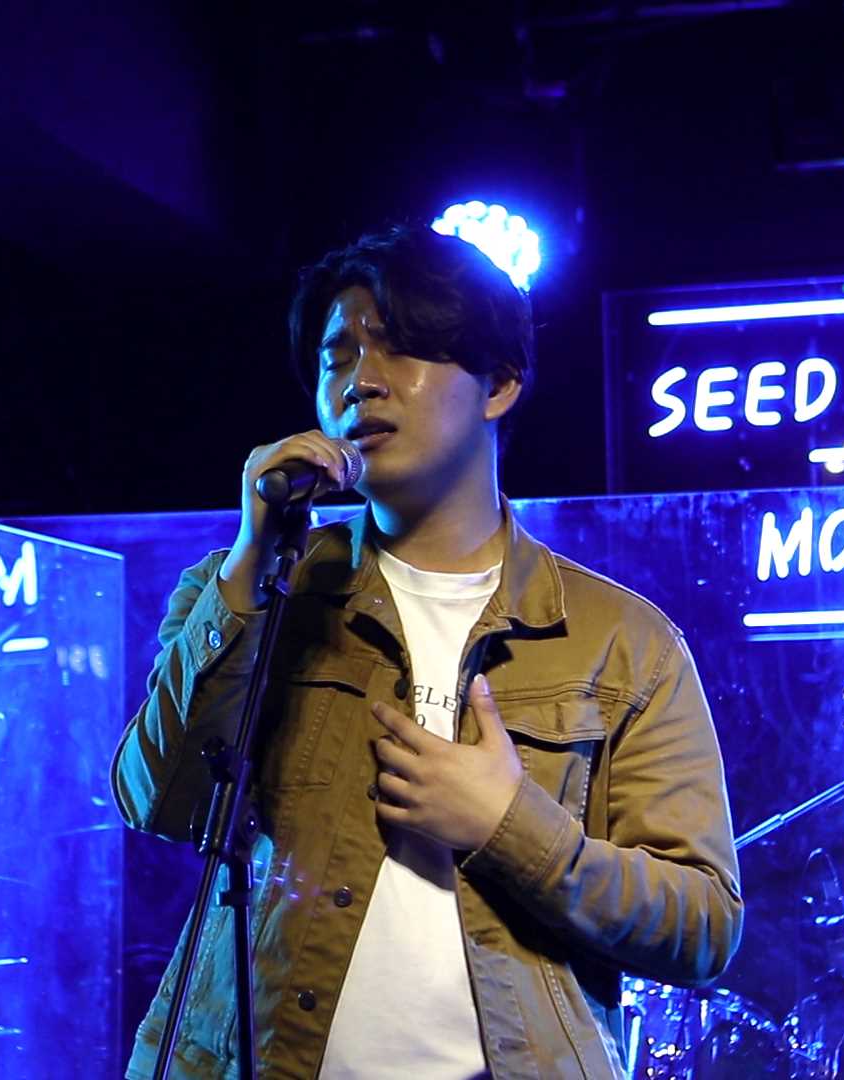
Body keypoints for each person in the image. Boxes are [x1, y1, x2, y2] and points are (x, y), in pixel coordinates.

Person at [112, 225, 742, 1078]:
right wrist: (255, 557)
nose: (360, 382)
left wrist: (508, 826)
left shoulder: (623, 642)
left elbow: (703, 926)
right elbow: (159, 799)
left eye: (401, 348)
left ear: (499, 384)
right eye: (337, 358)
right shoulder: (254, 586)